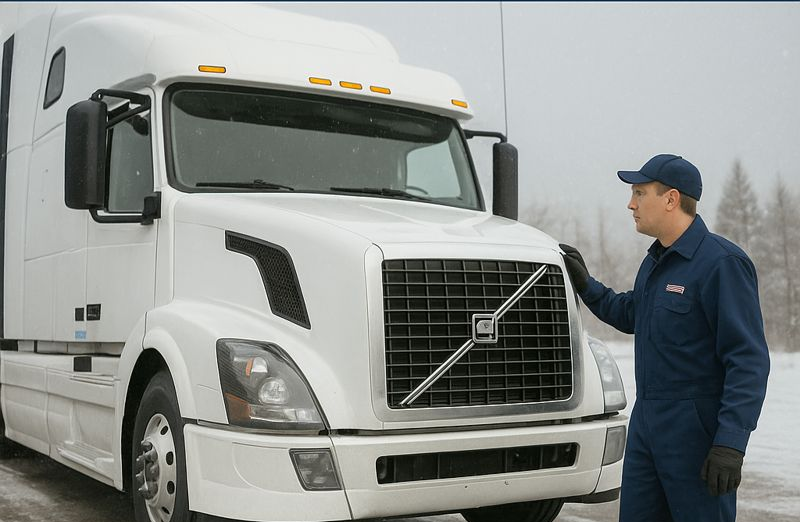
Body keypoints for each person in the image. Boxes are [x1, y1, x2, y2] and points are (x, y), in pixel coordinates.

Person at [560, 154, 770, 522]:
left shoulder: (721, 264)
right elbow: (632, 313)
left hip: (696, 435)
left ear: (671, 199)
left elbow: (748, 360)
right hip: (647, 427)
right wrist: (586, 286)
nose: (631, 203)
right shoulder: (656, 261)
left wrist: (730, 443)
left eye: (640, 193)